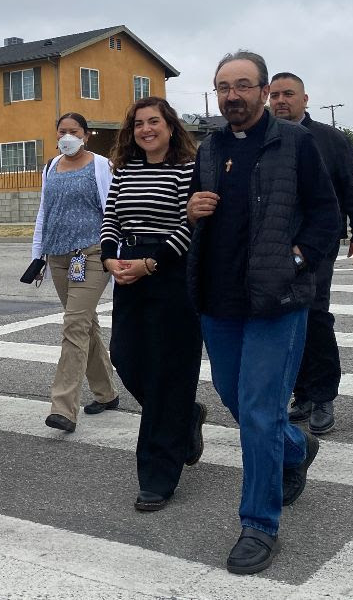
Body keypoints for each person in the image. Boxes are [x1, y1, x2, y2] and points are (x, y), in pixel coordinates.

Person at [187, 51, 340, 575]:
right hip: (219, 299)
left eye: (243, 86)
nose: (233, 95)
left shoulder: (295, 142)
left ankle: (259, 524)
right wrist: (192, 210)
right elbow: (194, 210)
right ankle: (296, 447)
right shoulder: (208, 149)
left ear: (262, 89)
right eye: (223, 86)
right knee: (238, 402)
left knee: (258, 412)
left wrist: (297, 259)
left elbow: (326, 213)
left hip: (276, 300)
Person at [100, 97, 203, 512]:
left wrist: (150, 263)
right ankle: (184, 416)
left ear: (170, 126)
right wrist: (110, 259)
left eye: (154, 122)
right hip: (129, 272)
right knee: (123, 357)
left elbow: (190, 226)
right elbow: (111, 217)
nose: (146, 129)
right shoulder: (125, 169)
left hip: (173, 274)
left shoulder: (186, 170)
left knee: (166, 375)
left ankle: (158, 476)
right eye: (139, 123)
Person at [269, 73, 353, 435]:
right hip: (273, 246)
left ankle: (323, 395)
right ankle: (302, 394)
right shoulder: (265, 137)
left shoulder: (330, 140)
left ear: (305, 99)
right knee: (286, 318)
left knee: (314, 315)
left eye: (288, 94)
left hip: (317, 245)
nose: (281, 100)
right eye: (275, 95)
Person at [29, 112, 119, 433]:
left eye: (74, 131)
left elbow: (112, 209)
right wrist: (37, 256)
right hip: (58, 257)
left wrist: (114, 255)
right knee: (85, 323)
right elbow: (44, 211)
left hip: (92, 254)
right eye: (62, 131)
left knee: (74, 325)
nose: (67, 137)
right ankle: (106, 393)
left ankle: (63, 407)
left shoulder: (100, 165)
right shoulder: (51, 167)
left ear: (86, 134)